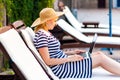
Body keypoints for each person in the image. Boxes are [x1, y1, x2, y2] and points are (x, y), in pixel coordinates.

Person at [31, 8, 120, 79]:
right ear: (47, 21)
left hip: (64, 63)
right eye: (54, 21)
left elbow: (54, 53)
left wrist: (72, 52)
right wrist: (70, 59)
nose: (55, 23)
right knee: (100, 58)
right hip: (62, 69)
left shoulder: (45, 33)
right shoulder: (42, 36)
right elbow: (48, 61)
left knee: (98, 53)